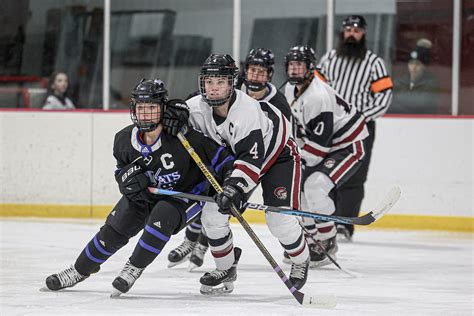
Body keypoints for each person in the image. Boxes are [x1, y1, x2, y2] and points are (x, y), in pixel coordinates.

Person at [44, 78, 235, 296]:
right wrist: (126, 182)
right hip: (147, 194)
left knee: (161, 216)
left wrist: (230, 187)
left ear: (162, 109)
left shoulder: (182, 136)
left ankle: (133, 268)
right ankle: (78, 271)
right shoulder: (124, 140)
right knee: (114, 228)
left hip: (185, 194)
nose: (145, 114)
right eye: (141, 108)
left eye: (152, 108)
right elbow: (121, 172)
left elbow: (225, 161)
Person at [163, 54, 310, 294]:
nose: (213, 88)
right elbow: (170, 111)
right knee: (212, 213)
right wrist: (171, 113)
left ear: (232, 83)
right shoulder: (197, 106)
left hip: (277, 155)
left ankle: (301, 259)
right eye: (209, 82)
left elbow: (250, 161)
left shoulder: (246, 111)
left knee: (278, 219)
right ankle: (226, 266)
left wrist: (234, 188)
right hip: (239, 159)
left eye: (220, 82)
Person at [283, 45, 369, 266]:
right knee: (299, 191)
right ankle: (312, 239)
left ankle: (327, 239)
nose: (294, 70)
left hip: (347, 146)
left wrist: (294, 161)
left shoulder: (318, 97)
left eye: (299, 66)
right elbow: (298, 131)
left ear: (310, 68)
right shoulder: (289, 90)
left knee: (314, 186)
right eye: (291, 65)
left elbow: (319, 148)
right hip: (324, 145)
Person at [318, 15, 393, 241]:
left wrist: (361, 118)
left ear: (364, 33)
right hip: (330, 129)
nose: (352, 34)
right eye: (349, 29)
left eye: (357, 30)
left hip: (362, 129)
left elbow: (384, 96)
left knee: (354, 178)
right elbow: (316, 90)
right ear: (343, 32)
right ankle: (326, 224)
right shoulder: (329, 59)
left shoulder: (374, 62)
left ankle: (344, 226)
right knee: (325, 175)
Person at [389, 38, 440, 114]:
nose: (413, 67)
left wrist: (401, 103)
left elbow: (421, 105)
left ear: (424, 67)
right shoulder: (399, 81)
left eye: (418, 64)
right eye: (411, 63)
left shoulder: (431, 83)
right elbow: (390, 103)